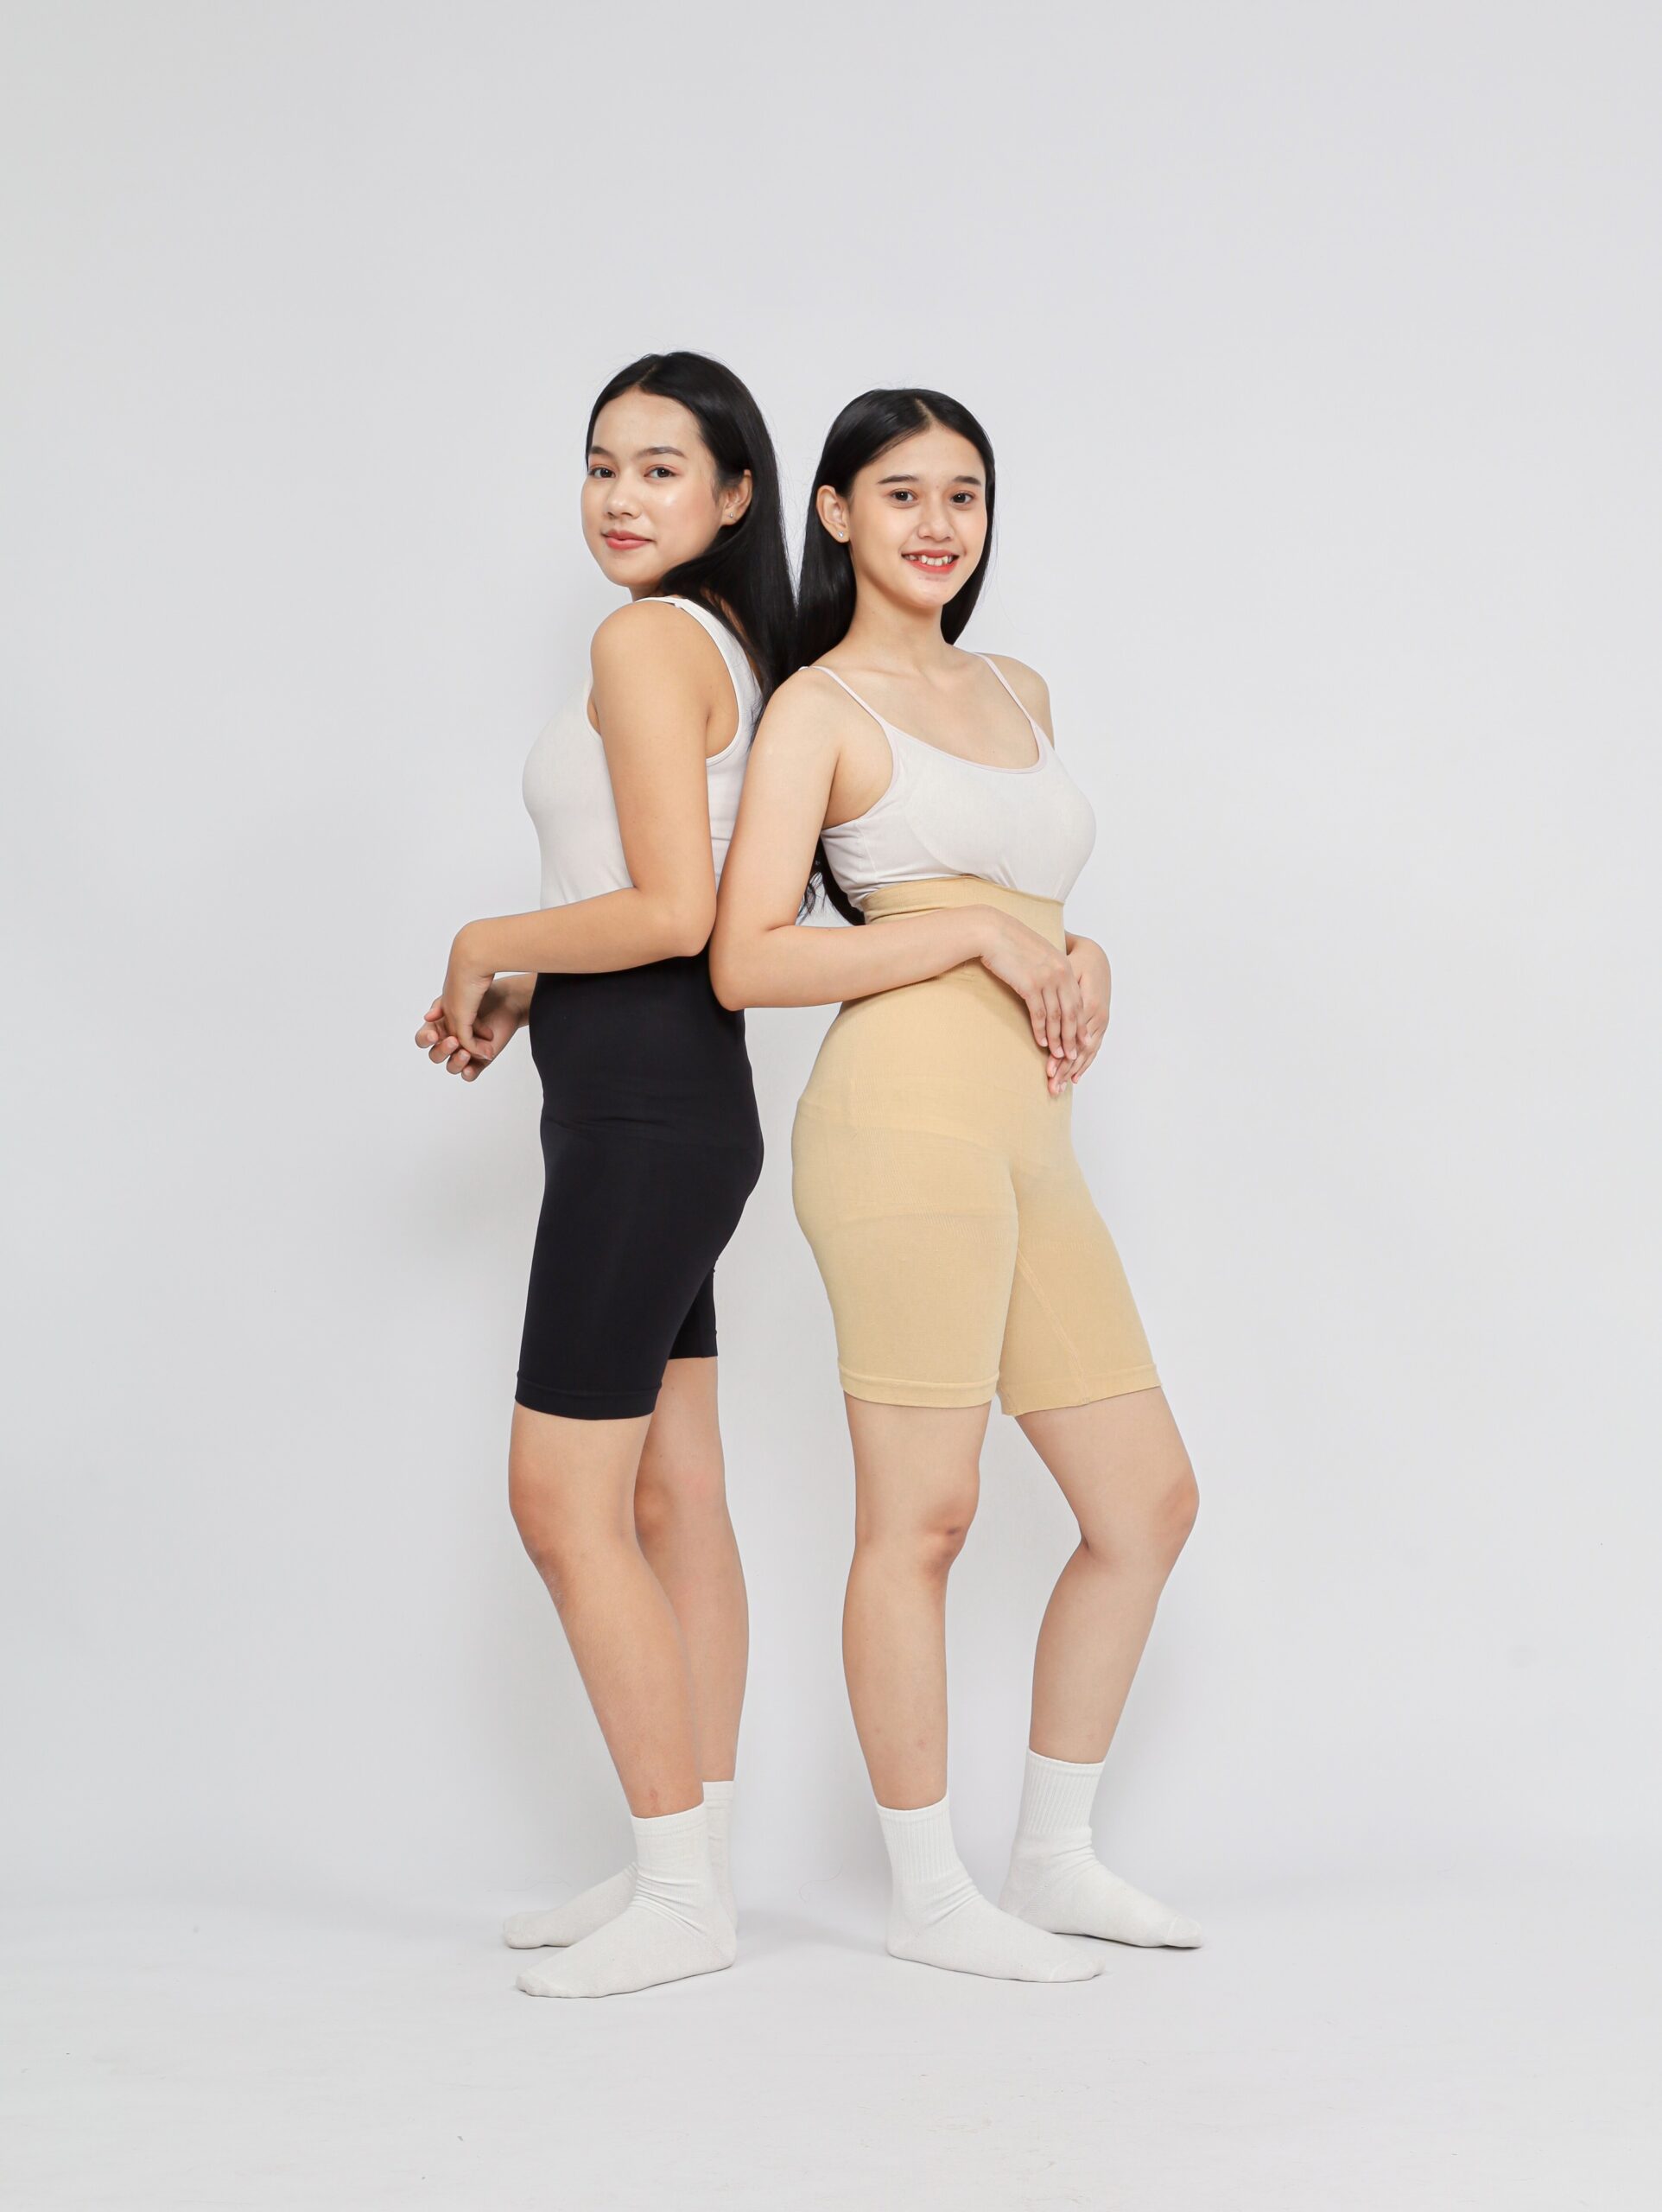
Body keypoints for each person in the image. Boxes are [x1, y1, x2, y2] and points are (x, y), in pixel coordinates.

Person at [709, 387, 1201, 1983]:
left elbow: (1031, 895)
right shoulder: (817, 708)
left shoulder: (1016, 686)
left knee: (1146, 1503)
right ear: (836, 511)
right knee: (922, 1517)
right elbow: (746, 957)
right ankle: (928, 1898)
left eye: (965, 495)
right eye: (903, 492)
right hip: (901, 1125)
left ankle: (1050, 1861)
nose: (939, 524)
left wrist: (1078, 950)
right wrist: (975, 931)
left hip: (1028, 1132)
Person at [416, 352, 791, 1999]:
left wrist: (484, 937)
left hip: (644, 1117)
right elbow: (640, 889)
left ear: (734, 494)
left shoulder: (645, 640)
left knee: (562, 1501)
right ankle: (685, 1866)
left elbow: (674, 910)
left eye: (661, 468)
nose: (621, 498)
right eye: (600, 466)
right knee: (671, 1492)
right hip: (661, 1103)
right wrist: (531, 982)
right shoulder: (720, 643)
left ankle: (680, 1896)